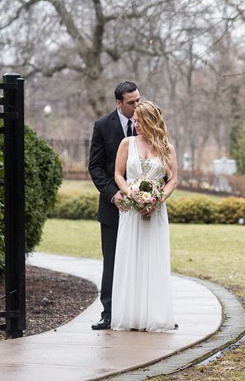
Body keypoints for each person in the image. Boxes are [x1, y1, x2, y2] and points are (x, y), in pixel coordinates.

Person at [111, 101, 178, 331]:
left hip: (156, 213)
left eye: (139, 120)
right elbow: (118, 175)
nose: (135, 124)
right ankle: (130, 315)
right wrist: (132, 194)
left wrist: (157, 199)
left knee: (153, 259)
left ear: (150, 121)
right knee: (131, 258)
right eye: (135, 120)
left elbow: (173, 181)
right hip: (131, 212)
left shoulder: (167, 147)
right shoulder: (126, 143)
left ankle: (154, 315)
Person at [88, 81, 142, 330]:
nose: (137, 105)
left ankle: (144, 311)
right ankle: (108, 312)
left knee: (142, 259)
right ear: (119, 103)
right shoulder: (102, 126)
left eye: (138, 100)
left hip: (144, 207)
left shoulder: (148, 123)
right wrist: (113, 194)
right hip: (113, 207)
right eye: (131, 102)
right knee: (111, 260)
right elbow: (95, 167)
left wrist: (149, 195)